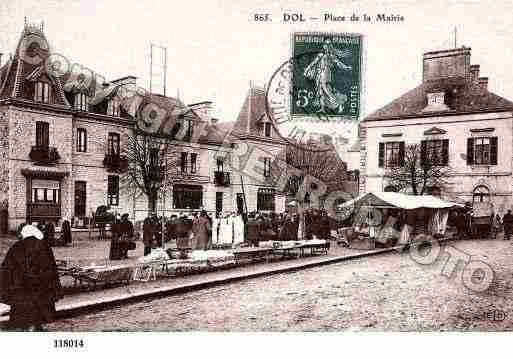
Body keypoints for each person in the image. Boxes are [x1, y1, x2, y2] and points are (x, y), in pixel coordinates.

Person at [0, 225, 63, 331]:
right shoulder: (44, 246)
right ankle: (36, 327)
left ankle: (25, 328)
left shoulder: (16, 246)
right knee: (38, 310)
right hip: (40, 287)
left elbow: (6, 268)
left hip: (21, 288)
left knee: (22, 311)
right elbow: (51, 268)